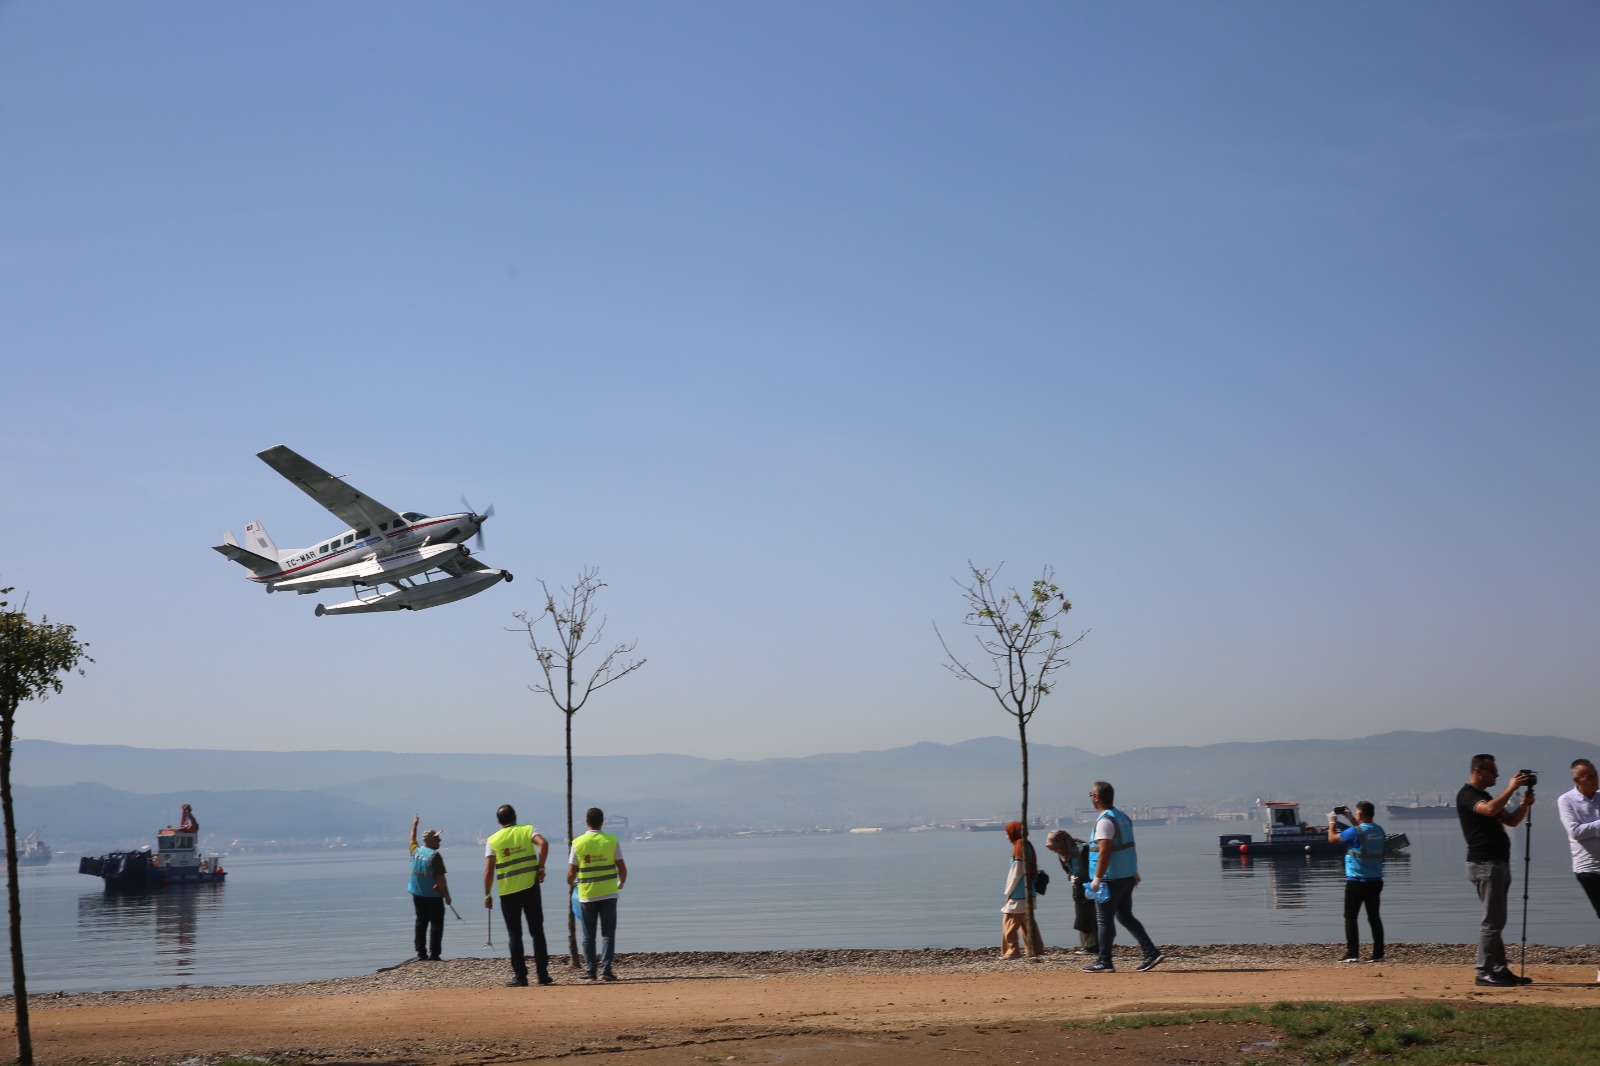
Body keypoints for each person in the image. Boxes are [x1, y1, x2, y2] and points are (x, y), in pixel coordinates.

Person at [1456, 754, 1535, 987]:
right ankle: (1483, 971)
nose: (1497, 775)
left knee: (1497, 920)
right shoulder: (1467, 795)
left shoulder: (1486, 796)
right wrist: (1512, 788)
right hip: (1484, 864)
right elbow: (1489, 810)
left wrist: (1524, 805)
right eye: (1493, 771)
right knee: (1492, 921)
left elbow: (1510, 821)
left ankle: (1499, 969)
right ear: (1478, 771)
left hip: (1497, 864)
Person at [1083, 780, 1163, 974]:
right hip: (1126, 876)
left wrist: (1097, 878)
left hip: (1110, 879)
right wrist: (1134, 871)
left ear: (1097, 797)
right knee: (1125, 916)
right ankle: (1150, 952)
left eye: (1091, 794)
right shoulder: (1122, 817)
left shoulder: (1104, 821)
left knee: (1104, 920)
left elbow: (1104, 852)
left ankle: (1104, 961)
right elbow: (1129, 845)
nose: (1091, 798)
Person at [483, 803, 553, 987]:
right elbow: (544, 844)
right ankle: (543, 975)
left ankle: (521, 977)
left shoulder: (493, 840)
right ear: (515, 817)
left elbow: (489, 871)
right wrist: (541, 867)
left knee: (515, 934)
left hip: (508, 892)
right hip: (530, 886)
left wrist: (487, 894)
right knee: (537, 931)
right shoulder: (527, 830)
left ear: (498, 821)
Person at [567, 806, 627, 981]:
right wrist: (620, 883)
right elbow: (622, 869)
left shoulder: (578, 843)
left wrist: (573, 885)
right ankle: (606, 971)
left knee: (588, 936)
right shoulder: (611, 840)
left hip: (588, 894)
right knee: (608, 934)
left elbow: (570, 874)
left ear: (586, 822)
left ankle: (590, 971)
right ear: (602, 822)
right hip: (609, 893)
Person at [1326, 801, 1385, 963]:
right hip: (1375, 880)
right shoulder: (1379, 830)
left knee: (1351, 916)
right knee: (1374, 917)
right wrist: (1350, 818)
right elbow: (1361, 833)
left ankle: (1352, 953)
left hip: (1356, 881)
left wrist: (1332, 822)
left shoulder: (1355, 832)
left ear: (1359, 813)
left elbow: (1332, 839)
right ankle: (1378, 954)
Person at [1557, 758, 1600, 936]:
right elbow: (1575, 831)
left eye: (1595, 775)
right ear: (1577, 780)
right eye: (1590, 777)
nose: (1595, 779)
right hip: (1588, 868)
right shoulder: (1566, 800)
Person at [1044, 829, 1097, 954]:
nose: (1055, 851)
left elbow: (1093, 867)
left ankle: (1094, 946)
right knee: (1081, 916)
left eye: (1055, 847)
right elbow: (1069, 871)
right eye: (1052, 849)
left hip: (1090, 887)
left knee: (1090, 916)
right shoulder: (1063, 854)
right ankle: (1087, 946)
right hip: (1078, 888)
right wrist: (1071, 876)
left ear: (1061, 843)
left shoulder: (1082, 850)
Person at [408, 815, 451, 961]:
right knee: (436, 923)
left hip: (417, 894)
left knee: (421, 922)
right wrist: (447, 896)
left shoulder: (415, 851)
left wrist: (414, 824)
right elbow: (441, 879)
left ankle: (421, 953)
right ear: (431, 840)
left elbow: (411, 838)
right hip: (432, 896)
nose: (440, 840)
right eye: (437, 838)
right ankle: (434, 954)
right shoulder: (434, 856)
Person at [999, 822, 1043, 959]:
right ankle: (1034, 948)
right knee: (1027, 922)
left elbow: (1016, 873)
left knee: (1009, 922)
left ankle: (1012, 950)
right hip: (1029, 891)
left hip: (1019, 893)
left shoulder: (1019, 848)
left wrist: (1008, 892)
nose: (1006, 836)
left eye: (1007, 833)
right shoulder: (1027, 845)